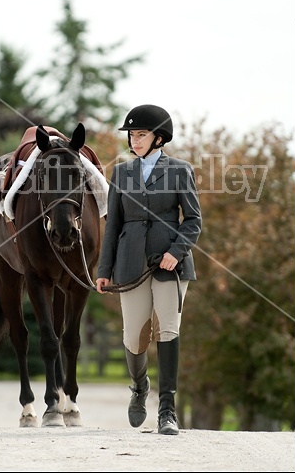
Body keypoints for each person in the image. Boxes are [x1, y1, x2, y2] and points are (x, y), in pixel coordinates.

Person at [96, 104, 202, 435]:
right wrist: (104, 268)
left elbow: (194, 220)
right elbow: (112, 225)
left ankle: (167, 411)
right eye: (132, 134)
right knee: (133, 337)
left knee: (168, 330)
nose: (134, 139)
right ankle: (139, 387)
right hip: (130, 264)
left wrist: (176, 251)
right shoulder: (122, 173)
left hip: (169, 265)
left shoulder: (180, 170)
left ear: (159, 138)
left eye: (141, 134)